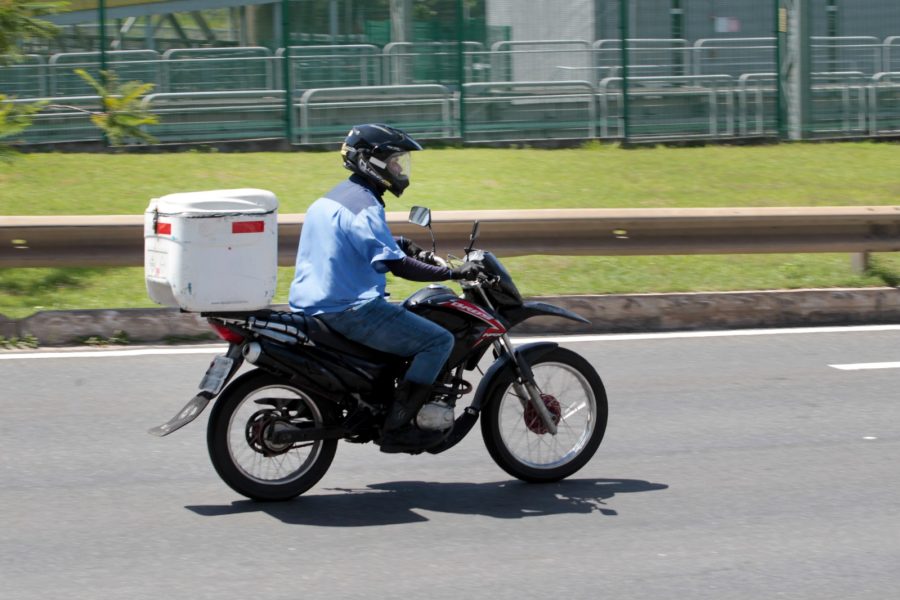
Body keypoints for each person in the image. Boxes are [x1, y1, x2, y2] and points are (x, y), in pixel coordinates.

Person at [288, 123, 483, 453]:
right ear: (371, 161)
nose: (399, 169)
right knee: (438, 340)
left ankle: (382, 402)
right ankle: (399, 425)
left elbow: (359, 241)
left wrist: (402, 243)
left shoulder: (333, 198)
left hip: (311, 306)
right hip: (351, 309)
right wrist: (451, 273)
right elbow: (398, 266)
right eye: (395, 162)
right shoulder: (365, 204)